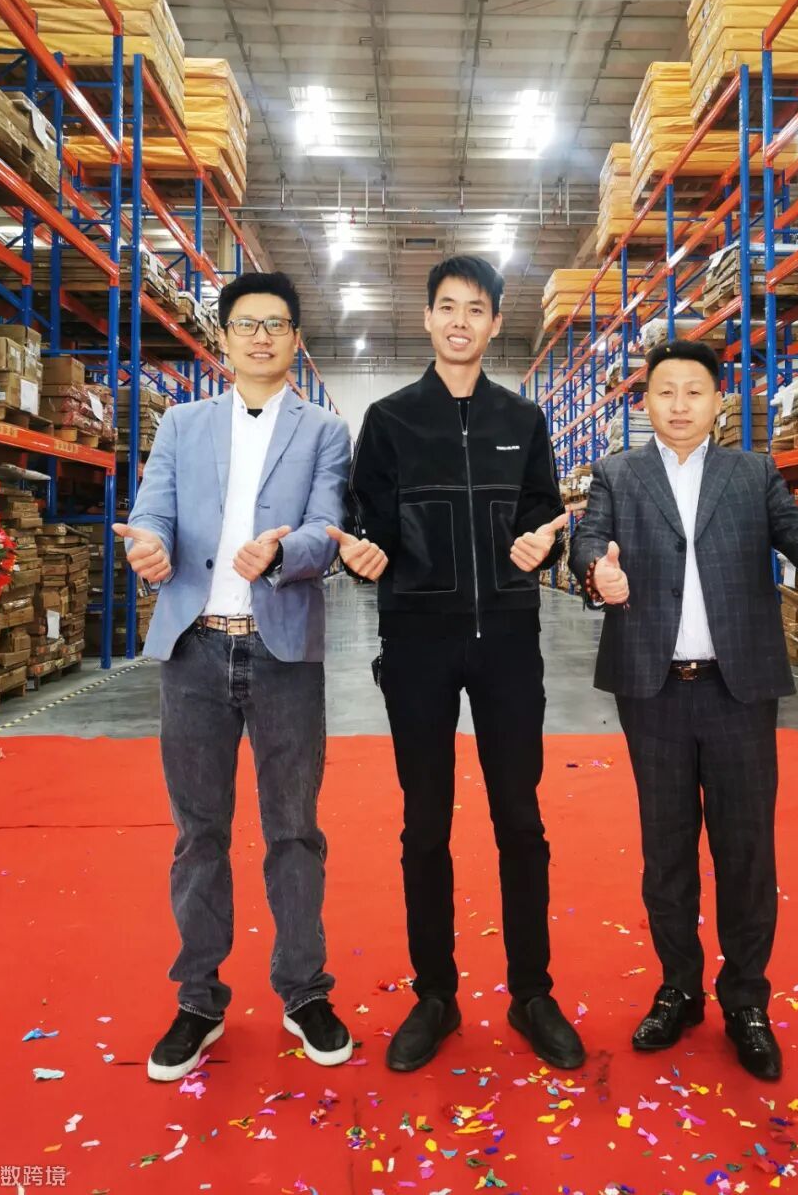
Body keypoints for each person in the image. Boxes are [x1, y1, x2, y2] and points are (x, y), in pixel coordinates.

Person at [569, 339, 798, 1082]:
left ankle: (747, 1000)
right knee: (666, 849)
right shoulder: (618, 473)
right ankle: (678, 988)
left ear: (717, 401)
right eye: (665, 391)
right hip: (654, 688)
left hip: (738, 687)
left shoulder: (751, 472)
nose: (679, 404)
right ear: (646, 402)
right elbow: (588, 539)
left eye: (693, 391)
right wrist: (597, 570)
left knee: (745, 848)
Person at [327, 256, 584, 1073]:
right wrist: (363, 554)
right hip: (418, 642)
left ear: (495, 322)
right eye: (447, 306)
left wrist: (546, 546)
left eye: (476, 308)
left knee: (521, 819)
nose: (460, 321)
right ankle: (435, 994)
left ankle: (532, 992)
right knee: (425, 822)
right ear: (428, 318)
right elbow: (366, 520)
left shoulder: (524, 419)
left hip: (508, 641)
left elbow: (544, 515)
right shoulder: (391, 420)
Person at [116, 271, 353, 1082]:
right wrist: (148, 545)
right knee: (199, 832)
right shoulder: (182, 424)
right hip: (195, 649)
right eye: (246, 323)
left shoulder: (325, 430)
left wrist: (284, 553)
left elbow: (328, 525)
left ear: (295, 338)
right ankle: (198, 998)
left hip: (283, 652)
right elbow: (152, 509)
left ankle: (304, 989)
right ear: (223, 338)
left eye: (276, 324)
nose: (260, 336)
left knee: (295, 830)